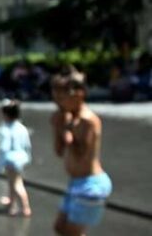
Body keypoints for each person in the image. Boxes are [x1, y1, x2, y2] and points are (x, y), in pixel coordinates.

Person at [51, 66, 112, 236]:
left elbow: (81, 154)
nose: (58, 102)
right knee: (60, 228)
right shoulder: (68, 117)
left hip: (91, 184)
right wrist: (58, 127)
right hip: (76, 183)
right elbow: (58, 151)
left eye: (62, 97)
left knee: (72, 233)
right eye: (55, 96)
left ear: (79, 94)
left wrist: (66, 131)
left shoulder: (88, 120)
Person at [0, 99, 32, 217]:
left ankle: (25, 207)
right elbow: (27, 145)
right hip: (21, 158)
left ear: (6, 115)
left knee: (16, 184)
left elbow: (4, 147)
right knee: (13, 182)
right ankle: (12, 204)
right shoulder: (21, 128)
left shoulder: (6, 129)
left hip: (10, 159)